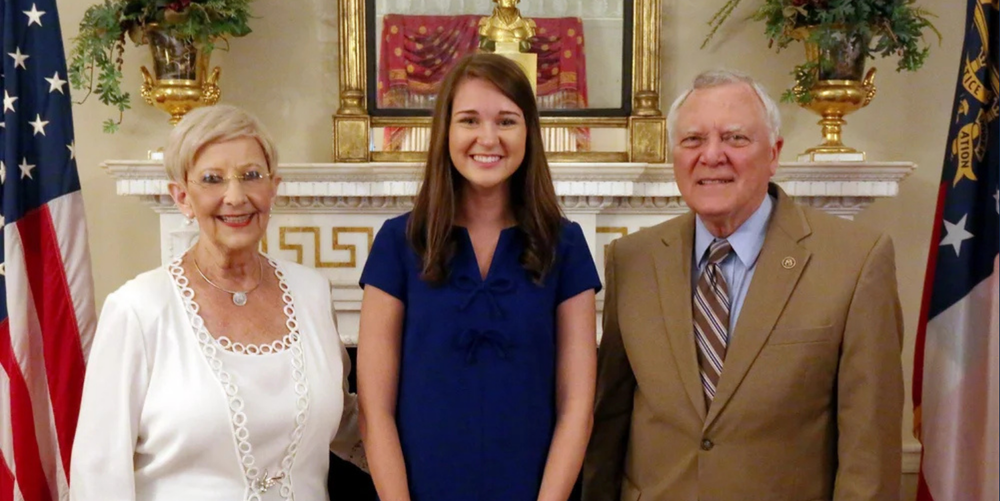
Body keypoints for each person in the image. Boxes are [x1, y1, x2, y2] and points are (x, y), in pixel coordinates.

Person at [583, 69, 904, 501]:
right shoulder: (633, 259)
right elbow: (610, 424)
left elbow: (870, 454)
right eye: (693, 140)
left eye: (735, 138)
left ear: (773, 154)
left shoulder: (855, 260)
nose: (711, 156)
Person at [70, 104, 364, 500]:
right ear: (182, 197)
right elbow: (99, 472)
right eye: (212, 179)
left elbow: (344, 422)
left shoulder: (312, 292)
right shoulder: (137, 310)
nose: (235, 196)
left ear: (273, 187)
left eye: (251, 176)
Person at [357, 53, 601, 501]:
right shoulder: (398, 242)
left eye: (506, 121)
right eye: (469, 120)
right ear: (445, 131)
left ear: (529, 132)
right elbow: (375, 410)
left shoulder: (565, 245)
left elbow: (577, 407)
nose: (487, 138)